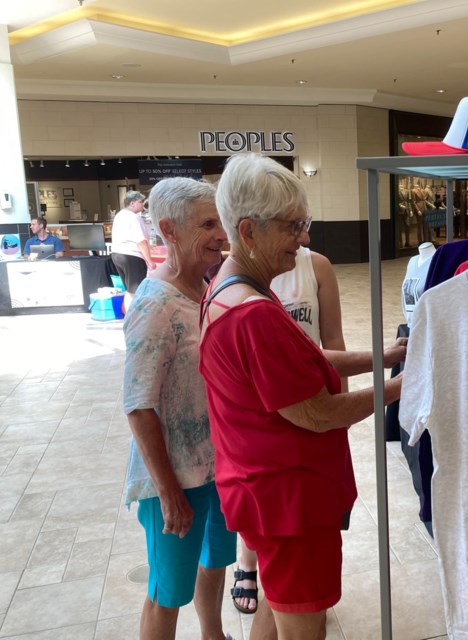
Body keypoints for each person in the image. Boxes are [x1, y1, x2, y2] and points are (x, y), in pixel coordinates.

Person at [198, 152, 406, 640]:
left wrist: (383, 356)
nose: (304, 238)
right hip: (287, 499)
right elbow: (315, 412)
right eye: (293, 227)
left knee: (277, 602)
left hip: (261, 488)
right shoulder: (255, 314)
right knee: (302, 626)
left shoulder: (230, 290)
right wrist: (404, 386)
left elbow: (301, 364)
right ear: (248, 232)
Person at [120, 177, 237, 640]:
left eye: (221, 222)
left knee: (216, 561)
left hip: (218, 467)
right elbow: (138, 405)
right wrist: (168, 491)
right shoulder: (155, 305)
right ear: (168, 230)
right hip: (175, 479)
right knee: (167, 592)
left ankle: (214, 635)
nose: (221, 236)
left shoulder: (206, 289)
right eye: (207, 225)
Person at [227, 245, 349, 616]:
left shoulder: (317, 266)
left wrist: (339, 407)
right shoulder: (237, 277)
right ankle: (247, 565)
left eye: (301, 222)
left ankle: (301, 595)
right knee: (261, 501)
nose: (301, 233)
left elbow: (332, 339)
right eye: (290, 224)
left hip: (309, 394)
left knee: (308, 506)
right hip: (261, 407)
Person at [112, 190, 157, 311]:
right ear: (132, 203)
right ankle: (133, 319)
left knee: (130, 290)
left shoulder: (119, 215)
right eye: (140, 202)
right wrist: (150, 261)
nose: (142, 204)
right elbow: (140, 241)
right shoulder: (133, 217)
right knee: (136, 291)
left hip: (117, 254)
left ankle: (129, 318)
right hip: (131, 255)